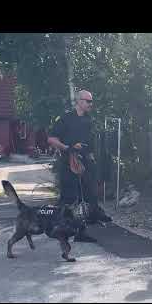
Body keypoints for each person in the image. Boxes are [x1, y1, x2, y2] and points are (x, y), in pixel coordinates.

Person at [47, 90, 112, 243]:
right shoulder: (65, 119)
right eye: (88, 101)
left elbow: (89, 143)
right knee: (70, 199)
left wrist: (92, 157)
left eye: (91, 101)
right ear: (79, 101)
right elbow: (51, 139)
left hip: (85, 163)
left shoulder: (88, 120)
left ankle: (83, 227)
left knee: (89, 195)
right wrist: (68, 147)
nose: (91, 104)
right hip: (68, 162)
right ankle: (58, 228)